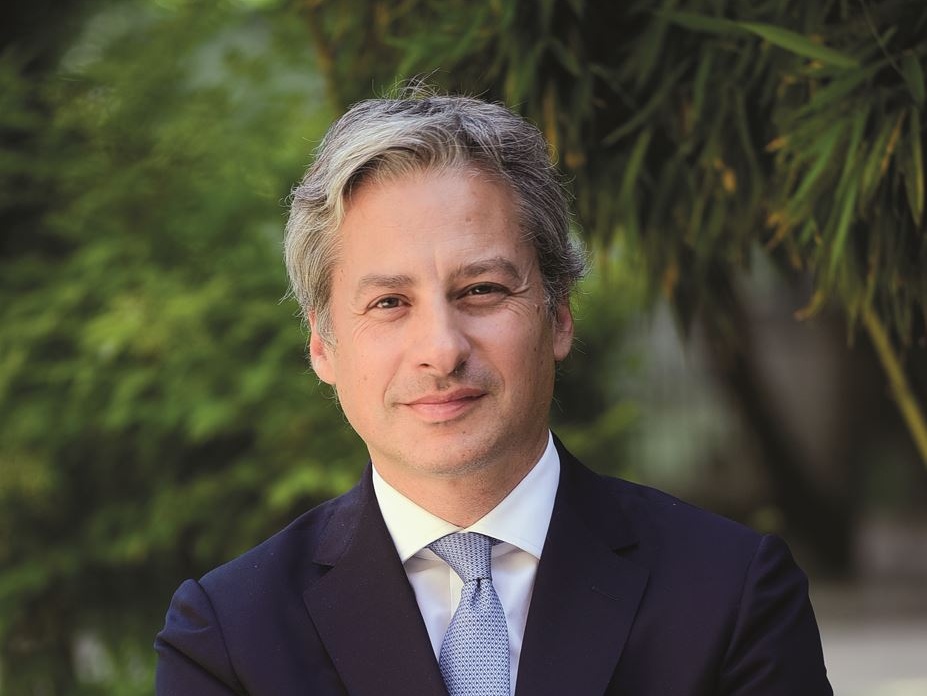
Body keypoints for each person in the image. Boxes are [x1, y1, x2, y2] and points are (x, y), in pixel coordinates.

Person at [155, 91, 833, 696]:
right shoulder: (229, 636)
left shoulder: (730, 592)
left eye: (481, 290)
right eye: (389, 302)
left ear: (558, 315)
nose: (441, 348)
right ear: (323, 346)